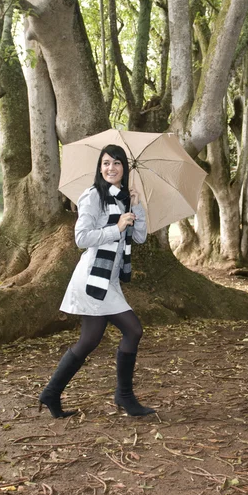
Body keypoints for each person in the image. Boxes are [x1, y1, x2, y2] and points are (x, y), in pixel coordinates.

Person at [39, 144, 155, 418]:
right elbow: (82, 238)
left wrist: (137, 209)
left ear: (124, 169)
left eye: (116, 163)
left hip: (109, 279)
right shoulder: (92, 196)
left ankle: (51, 394)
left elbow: (139, 238)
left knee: (89, 341)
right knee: (133, 330)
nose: (111, 168)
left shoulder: (124, 199)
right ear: (99, 167)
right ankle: (124, 396)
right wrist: (115, 228)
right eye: (105, 163)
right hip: (93, 277)